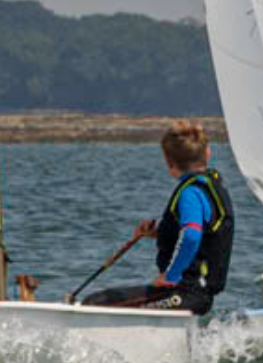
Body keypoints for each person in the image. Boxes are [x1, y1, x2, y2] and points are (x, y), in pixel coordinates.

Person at [81, 121, 234, 314]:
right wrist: (157, 231)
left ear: (169, 163)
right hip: (199, 294)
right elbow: (204, 230)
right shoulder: (212, 186)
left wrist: (171, 276)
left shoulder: (190, 194)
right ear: (208, 153)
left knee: (93, 303)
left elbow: (191, 236)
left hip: (184, 293)